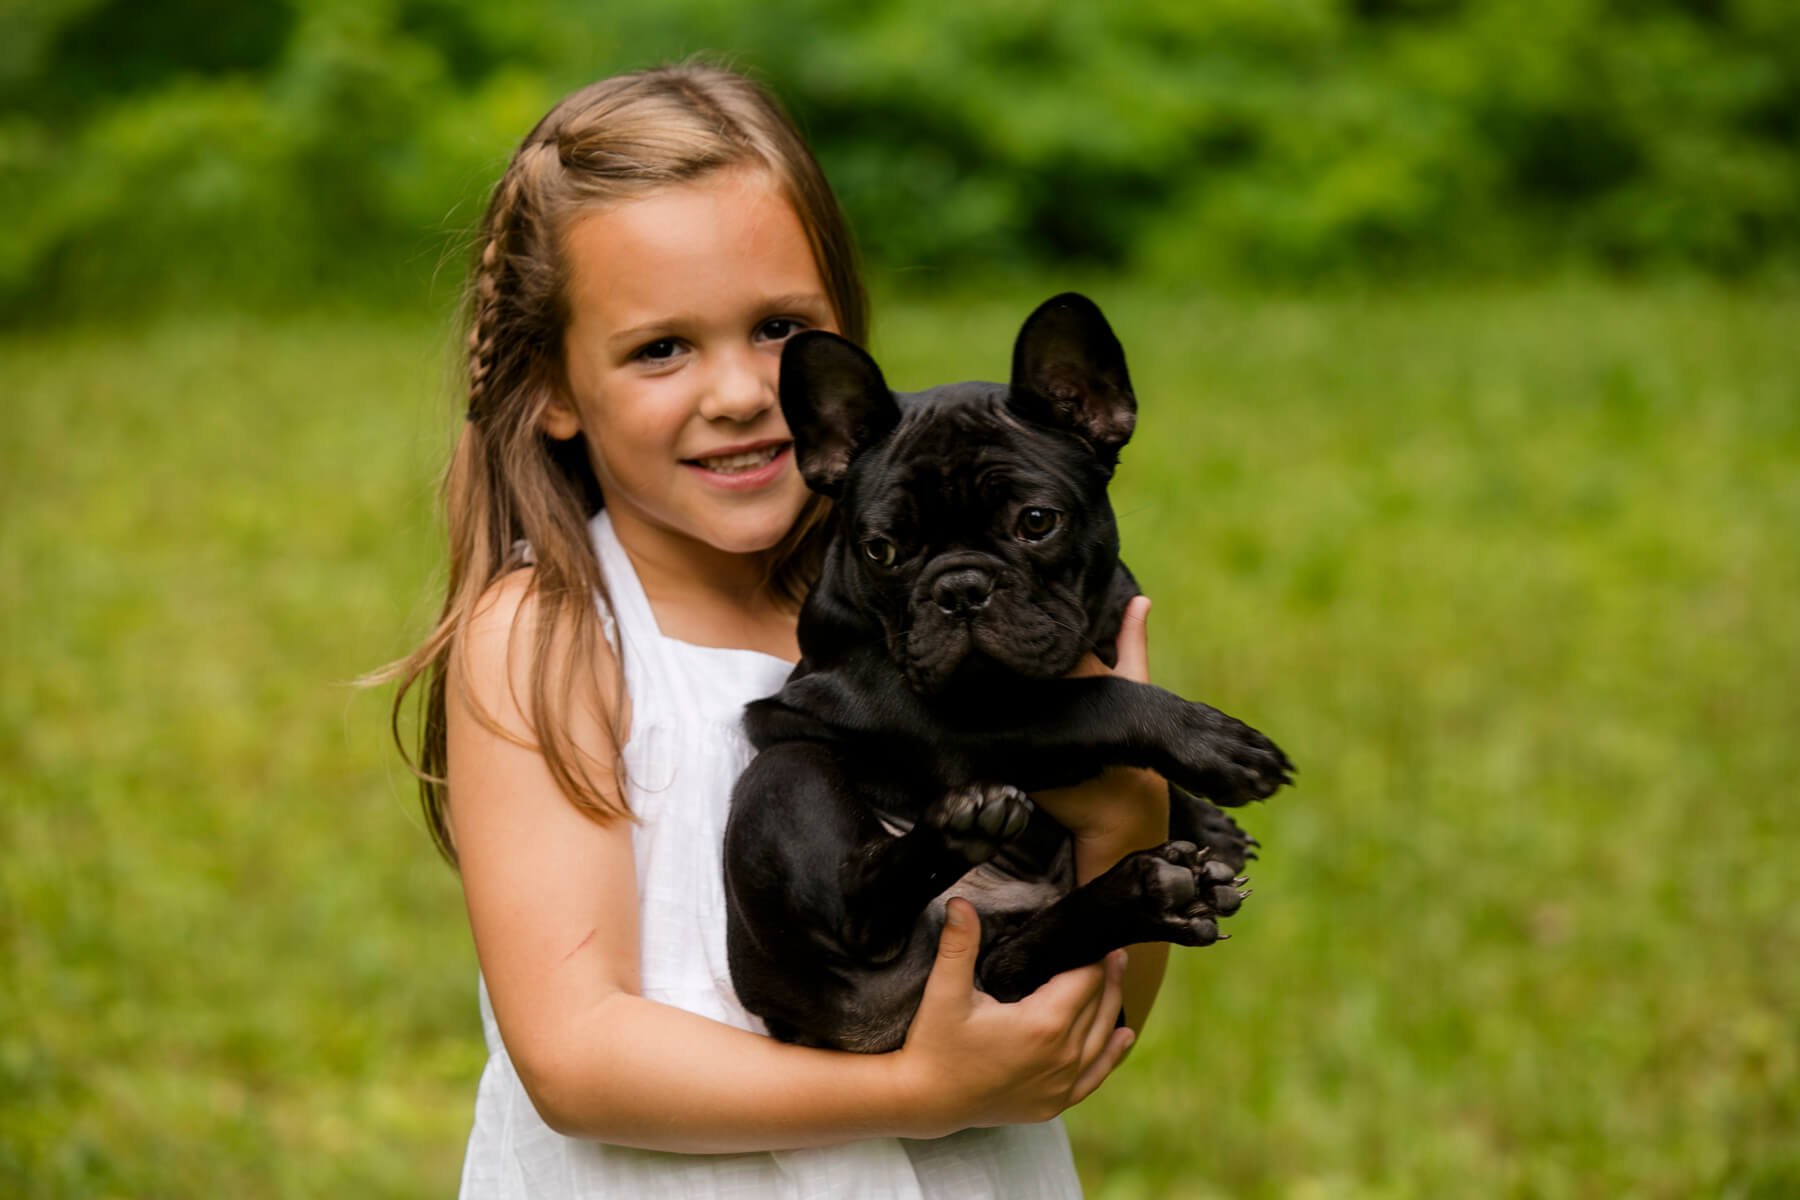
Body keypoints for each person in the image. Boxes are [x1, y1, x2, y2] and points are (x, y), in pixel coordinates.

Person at [382, 63, 1174, 1199]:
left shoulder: (937, 616)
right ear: (553, 388)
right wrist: (913, 1093)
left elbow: (1096, 1025)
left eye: (778, 330)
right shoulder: (553, 636)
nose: (743, 391)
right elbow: (574, 1055)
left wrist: (1123, 809)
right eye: (662, 348)